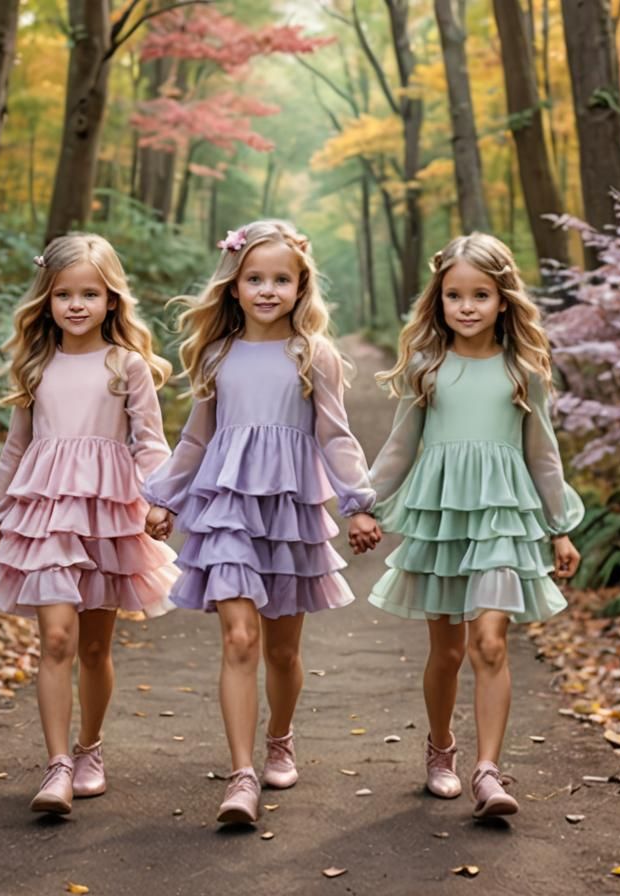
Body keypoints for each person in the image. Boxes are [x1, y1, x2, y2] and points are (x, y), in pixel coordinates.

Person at [143, 220, 382, 825]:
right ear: (234, 285)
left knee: (282, 649)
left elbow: (333, 432)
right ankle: (241, 775)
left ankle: (280, 737)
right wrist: (165, 497)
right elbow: (196, 437)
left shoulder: (313, 354)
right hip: (226, 508)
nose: (268, 290)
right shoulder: (216, 354)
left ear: (301, 288)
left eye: (282, 279)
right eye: (255, 278)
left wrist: (357, 501)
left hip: (289, 510)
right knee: (239, 637)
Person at [367, 233, 583, 818]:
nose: (466, 306)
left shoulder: (524, 370)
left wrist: (559, 527)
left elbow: (543, 453)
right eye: (454, 295)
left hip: (502, 523)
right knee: (448, 651)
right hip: (443, 522)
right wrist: (361, 503)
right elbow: (399, 448)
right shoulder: (427, 369)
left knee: (491, 642)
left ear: (503, 299)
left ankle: (488, 771)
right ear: (438, 300)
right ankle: (442, 751)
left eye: (480, 295)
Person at [0, 233, 178, 815]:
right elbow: (15, 450)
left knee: (93, 646)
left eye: (91, 293)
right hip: (44, 516)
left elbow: (149, 443)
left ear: (112, 300)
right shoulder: (36, 365)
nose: (77, 305)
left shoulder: (127, 364)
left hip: (107, 515)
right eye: (65, 294)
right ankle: (57, 764)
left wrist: (160, 499)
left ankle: (90, 749)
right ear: (48, 299)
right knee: (55, 637)